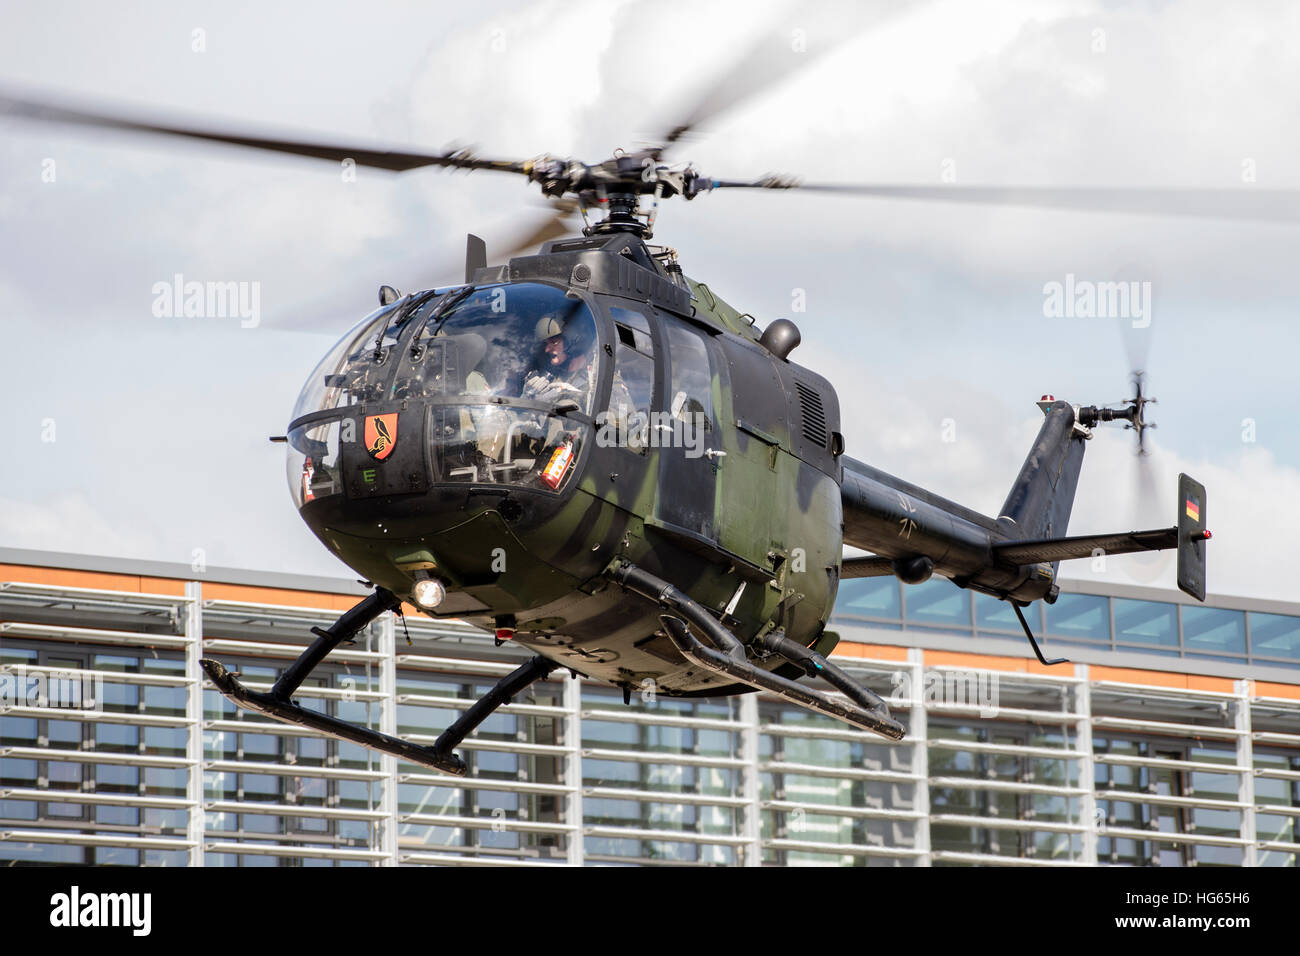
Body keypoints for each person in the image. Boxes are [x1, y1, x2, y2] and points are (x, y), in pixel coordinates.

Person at [522, 314, 596, 408]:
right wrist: (526, 398)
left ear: (574, 342)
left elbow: (612, 418)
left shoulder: (599, 382)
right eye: (546, 343)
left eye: (554, 342)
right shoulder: (548, 380)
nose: (547, 349)